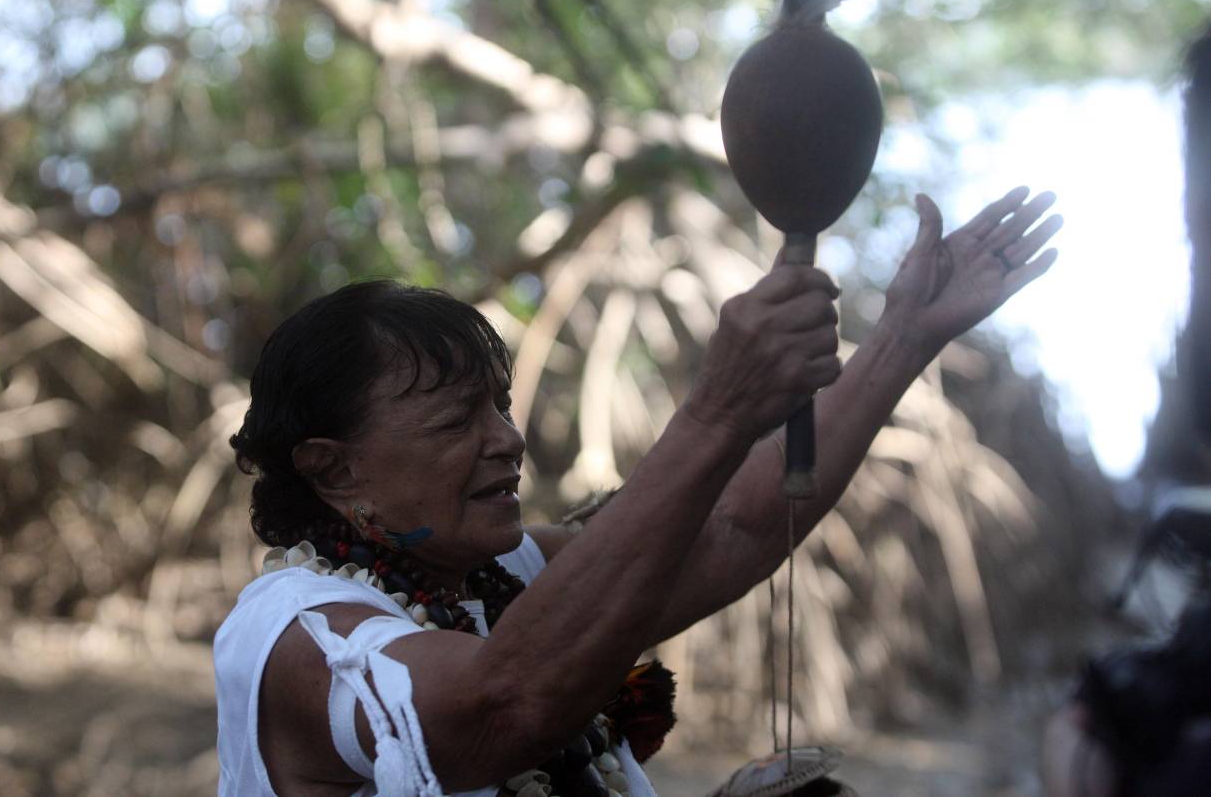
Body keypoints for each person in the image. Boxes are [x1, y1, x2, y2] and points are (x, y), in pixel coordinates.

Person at [215, 187, 1062, 796]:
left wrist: (906, 336)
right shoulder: (295, 635)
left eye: (500, 409)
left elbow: (731, 523)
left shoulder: (511, 570)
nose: (506, 440)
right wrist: (716, 410)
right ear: (335, 468)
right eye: (453, 422)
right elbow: (501, 706)